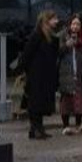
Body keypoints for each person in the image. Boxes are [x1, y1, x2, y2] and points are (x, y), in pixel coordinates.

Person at [18, 10, 61, 140]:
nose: (56, 21)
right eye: (54, 19)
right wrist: (24, 70)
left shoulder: (50, 37)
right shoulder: (37, 35)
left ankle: (38, 128)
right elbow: (27, 54)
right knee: (35, 101)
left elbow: (54, 53)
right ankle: (35, 128)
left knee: (42, 102)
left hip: (45, 75)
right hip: (36, 75)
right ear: (47, 20)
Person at [57, 12, 82, 135]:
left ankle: (79, 124)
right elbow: (57, 52)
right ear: (69, 24)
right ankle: (66, 125)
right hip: (67, 72)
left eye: (78, 24)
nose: (75, 27)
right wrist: (66, 45)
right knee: (66, 99)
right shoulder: (62, 35)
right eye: (73, 24)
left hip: (80, 73)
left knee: (80, 99)